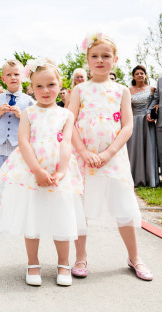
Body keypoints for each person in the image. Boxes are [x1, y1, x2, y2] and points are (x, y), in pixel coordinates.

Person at [0, 58, 86, 286]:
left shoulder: (66, 115)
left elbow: (66, 144)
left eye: (51, 84)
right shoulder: (28, 113)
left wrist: (61, 171)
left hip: (58, 172)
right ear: (31, 87)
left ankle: (63, 264)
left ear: (60, 84)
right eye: (39, 86)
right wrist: (37, 171)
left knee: (61, 215)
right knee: (32, 216)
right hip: (30, 170)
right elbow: (23, 142)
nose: (45, 90)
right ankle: (33, 263)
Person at [68, 33, 153, 281]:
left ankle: (134, 257)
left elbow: (127, 126)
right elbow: (69, 121)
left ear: (115, 59)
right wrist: (84, 152)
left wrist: (108, 152)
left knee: (123, 205)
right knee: (81, 207)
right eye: (94, 56)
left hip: (113, 157)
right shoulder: (80, 89)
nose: (100, 60)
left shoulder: (121, 90)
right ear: (87, 59)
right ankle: (81, 257)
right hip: (84, 157)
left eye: (106, 56)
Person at [0, 59, 34, 233]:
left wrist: (21, 115)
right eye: (9, 74)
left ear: (23, 77)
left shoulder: (29, 101)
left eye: (16, 74)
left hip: (19, 148)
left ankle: (17, 216)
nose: (13, 77)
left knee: (20, 181)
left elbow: (35, 126)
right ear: (3, 78)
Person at [127, 65, 159, 187]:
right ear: (133, 76)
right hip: (134, 121)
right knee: (134, 147)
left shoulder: (152, 89)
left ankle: (149, 178)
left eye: (142, 73)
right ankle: (134, 178)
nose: (140, 75)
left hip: (147, 122)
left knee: (149, 147)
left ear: (145, 75)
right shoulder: (128, 90)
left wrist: (153, 111)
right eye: (137, 74)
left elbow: (156, 102)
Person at [147, 76, 162, 173]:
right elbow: (156, 99)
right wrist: (149, 111)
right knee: (161, 151)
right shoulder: (160, 80)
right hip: (161, 122)